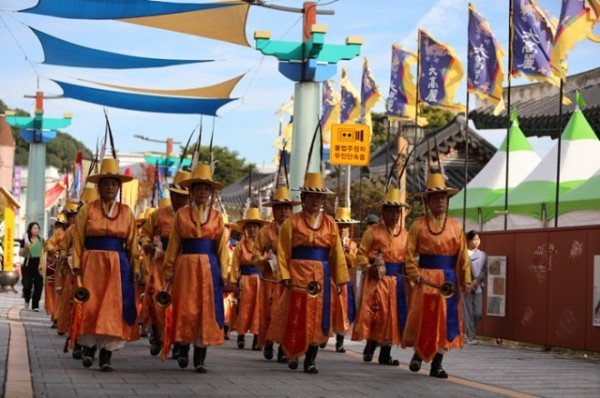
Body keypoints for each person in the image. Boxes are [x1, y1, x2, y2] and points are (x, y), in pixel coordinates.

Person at [267, 172, 349, 374]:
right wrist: (285, 276)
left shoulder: (330, 223)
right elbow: (283, 251)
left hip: (321, 274)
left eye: (319, 197)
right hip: (297, 274)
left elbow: (337, 252)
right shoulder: (291, 223)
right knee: (296, 314)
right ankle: (293, 352)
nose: (315, 201)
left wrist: (340, 280)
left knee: (317, 317)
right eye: (311, 197)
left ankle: (310, 360)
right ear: (303, 199)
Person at [72, 158, 140, 372]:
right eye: (106, 183)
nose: (110, 187)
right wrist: (76, 264)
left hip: (117, 265)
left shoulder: (127, 212)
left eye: (114, 184)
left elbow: (132, 243)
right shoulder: (87, 210)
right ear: (98, 186)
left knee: (111, 309)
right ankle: (89, 350)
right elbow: (77, 239)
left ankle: (106, 355)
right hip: (91, 262)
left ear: (119, 187)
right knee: (91, 305)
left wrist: (136, 267)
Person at [403, 172, 472, 379]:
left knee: (445, 320)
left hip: (448, 280)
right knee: (424, 317)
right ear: (428, 201)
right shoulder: (418, 225)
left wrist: (466, 279)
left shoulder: (455, 226)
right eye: (436, 197)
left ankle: (437, 364)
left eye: (444, 197)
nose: (441, 200)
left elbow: (462, 256)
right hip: (425, 279)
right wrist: (415, 275)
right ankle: (418, 353)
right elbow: (408, 255)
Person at [163, 163, 229, 373]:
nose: (203, 192)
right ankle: (182, 348)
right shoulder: (181, 215)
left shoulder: (218, 217)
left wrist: (225, 273)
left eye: (206, 189)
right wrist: (169, 269)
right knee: (186, 306)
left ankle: (200, 358)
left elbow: (222, 249)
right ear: (191, 191)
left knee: (205, 309)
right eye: (198, 188)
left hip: (209, 268)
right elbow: (174, 243)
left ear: (210, 193)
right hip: (186, 266)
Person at [351, 188, 408, 366]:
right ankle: (370, 345)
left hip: (396, 281)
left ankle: (386, 353)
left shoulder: (405, 235)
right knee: (378, 315)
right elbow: (360, 254)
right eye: (390, 211)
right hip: (377, 281)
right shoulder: (373, 232)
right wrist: (369, 267)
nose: (394, 215)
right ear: (383, 212)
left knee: (393, 316)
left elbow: (408, 258)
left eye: (397, 211)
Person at [139, 171, 190, 357]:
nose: (179, 199)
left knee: (180, 303)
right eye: (175, 195)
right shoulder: (159, 214)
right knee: (157, 301)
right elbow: (144, 233)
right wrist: (148, 244)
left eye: (183, 197)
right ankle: (158, 337)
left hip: (183, 263)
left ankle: (178, 341)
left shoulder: (191, 216)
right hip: (160, 263)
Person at [258, 186, 299, 362]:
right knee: (271, 312)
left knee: (289, 312)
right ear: (273, 211)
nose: (283, 212)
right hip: (272, 278)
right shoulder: (266, 232)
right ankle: (268, 341)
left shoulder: (297, 228)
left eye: (286, 208)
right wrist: (265, 261)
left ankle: (284, 347)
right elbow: (255, 253)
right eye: (279, 208)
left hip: (292, 276)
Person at [229, 207, 269, 351]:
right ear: (245, 229)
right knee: (244, 308)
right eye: (250, 227)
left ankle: (257, 337)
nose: (252, 230)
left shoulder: (264, 247)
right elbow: (235, 266)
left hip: (260, 280)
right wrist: (233, 281)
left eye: (255, 226)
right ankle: (240, 335)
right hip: (245, 280)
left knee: (258, 309)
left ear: (259, 229)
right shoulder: (240, 247)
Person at [331, 207, 358, 354]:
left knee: (344, 311)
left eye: (344, 227)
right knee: (329, 308)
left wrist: (347, 254)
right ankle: (324, 335)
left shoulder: (352, 245)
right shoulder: (330, 242)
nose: (342, 230)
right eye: (339, 227)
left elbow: (354, 262)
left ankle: (340, 341)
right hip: (331, 279)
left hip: (345, 280)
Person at [463, 230, 488, 344]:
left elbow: (485, 270)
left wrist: (477, 280)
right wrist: (467, 282)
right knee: (468, 312)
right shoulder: (462, 254)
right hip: (465, 287)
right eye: (474, 239)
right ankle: (470, 337)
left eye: (478, 239)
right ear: (468, 240)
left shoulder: (483, 255)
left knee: (478, 313)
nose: (477, 242)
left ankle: (469, 329)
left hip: (477, 286)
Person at [43, 214, 68, 325]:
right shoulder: (59, 232)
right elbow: (49, 244)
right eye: (70, 216)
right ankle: (57, 317)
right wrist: (55, 250)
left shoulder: (78, 229)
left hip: (74, 264)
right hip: (61, 264)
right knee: (59, 290)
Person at [20, 222, 45, 311]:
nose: (36, 230)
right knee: (27, 285)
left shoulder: (42, 240)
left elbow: (44, 253)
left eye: (37, 228)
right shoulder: (25, 240)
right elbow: (21, 253)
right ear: (30, 229)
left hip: (39, 263)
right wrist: (25, 248)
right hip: (28, 262)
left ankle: (35, 305)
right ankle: (27, 298)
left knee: (39, 285)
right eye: (34, 228)